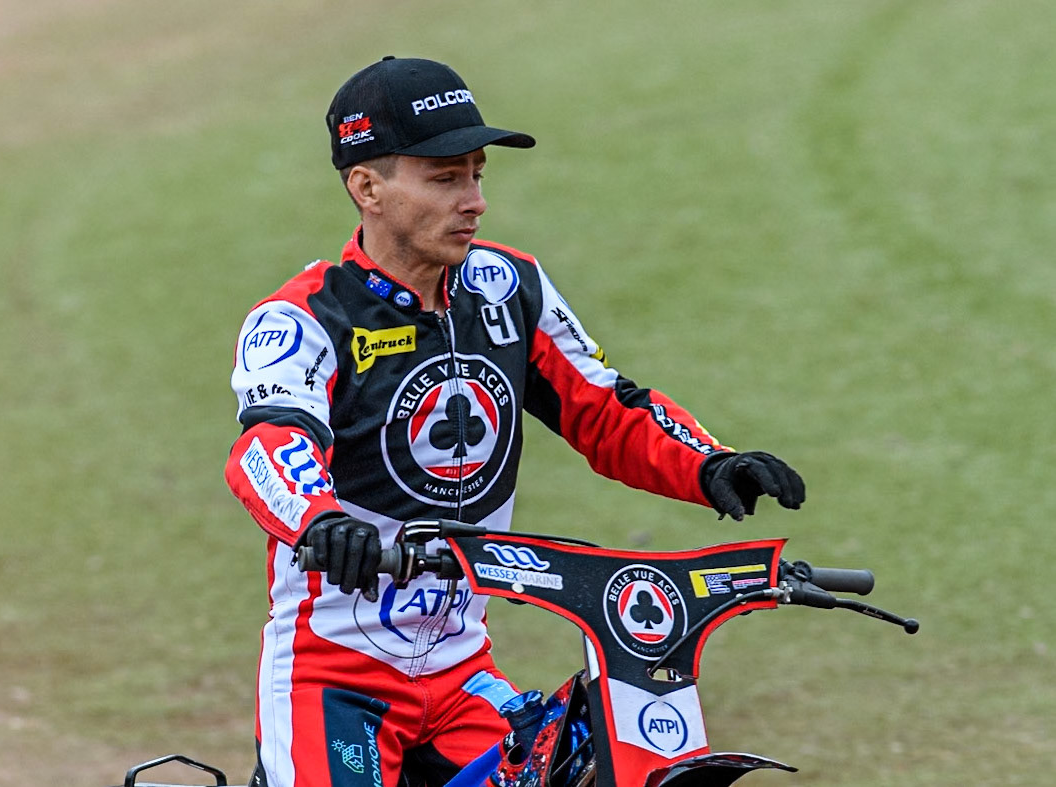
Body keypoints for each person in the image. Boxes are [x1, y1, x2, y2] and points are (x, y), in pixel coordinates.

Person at [224, 56, 805, 787]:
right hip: (332, 677)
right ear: (366, 186)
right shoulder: (303, 316)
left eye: (476, 174)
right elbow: (269, 445)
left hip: (462, 672)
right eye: (444, 178)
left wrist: (707, 463)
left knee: (590, 761)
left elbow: (604, 408)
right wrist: (316, 522)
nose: (473, 201)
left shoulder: (509, 287)